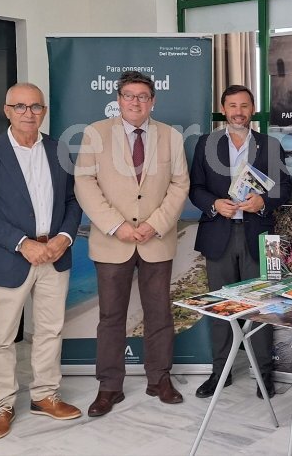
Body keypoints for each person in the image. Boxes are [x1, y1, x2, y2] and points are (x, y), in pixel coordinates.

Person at [0, 83, 83, 440]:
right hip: (9, 258)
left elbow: (74, 202)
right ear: (7, 111)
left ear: (44, 111)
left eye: (35, 107)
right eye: (20, 107)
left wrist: (63, 238)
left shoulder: (58, 149)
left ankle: (45, 395)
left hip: (55, 255)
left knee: (50, 330)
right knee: (1, 338)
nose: (28, 113)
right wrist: (22, 243)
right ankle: (2, 404)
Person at [74, 70, 191, 416]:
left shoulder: (170, 136)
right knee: (111, 316)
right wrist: (115, 225)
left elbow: (179, 185)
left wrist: (155, 224)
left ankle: (160, 379)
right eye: (129, 95)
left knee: (159, 313)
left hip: (157, 240)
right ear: (118, 100)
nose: (135, 102)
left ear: (153, 101)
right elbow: (85, 184)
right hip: (113, 241)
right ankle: (109, 386)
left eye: (143, 96)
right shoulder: (96, 133)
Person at [190, 84, 291, 399]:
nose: (238, 111)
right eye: (232, 105)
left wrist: (263, 202)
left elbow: (285, 186)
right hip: (218, 234)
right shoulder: (206, 144)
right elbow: (195, 187)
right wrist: (214, 204)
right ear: (224, 109)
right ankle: (220, 372)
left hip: (258, 235)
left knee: (262, 308)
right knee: (220, 308)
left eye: (244, 105)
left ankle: (263, 375)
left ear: (252, 109)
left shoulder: (269, 145)